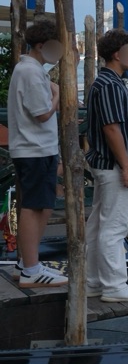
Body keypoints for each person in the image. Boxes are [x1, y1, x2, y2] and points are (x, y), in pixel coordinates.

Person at [85, 29, 128, 302]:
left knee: (99, 226)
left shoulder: (106, 82)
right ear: (117, 54)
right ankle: (113, 285)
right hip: (113, 166)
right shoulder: (111, 85)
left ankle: (94, 282)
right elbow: (111, 128)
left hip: (106, 164)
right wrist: (127, 166)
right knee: (114, 227)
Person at [7, 19, 67, 287]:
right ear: (42, 45)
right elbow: (42, 113)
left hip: (35, 148)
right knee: (34, 207)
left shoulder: (30, 70)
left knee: (40, 206)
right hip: (34, 149)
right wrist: (57, 94)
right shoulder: (30, 72)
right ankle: (31, 268)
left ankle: (27, 263)